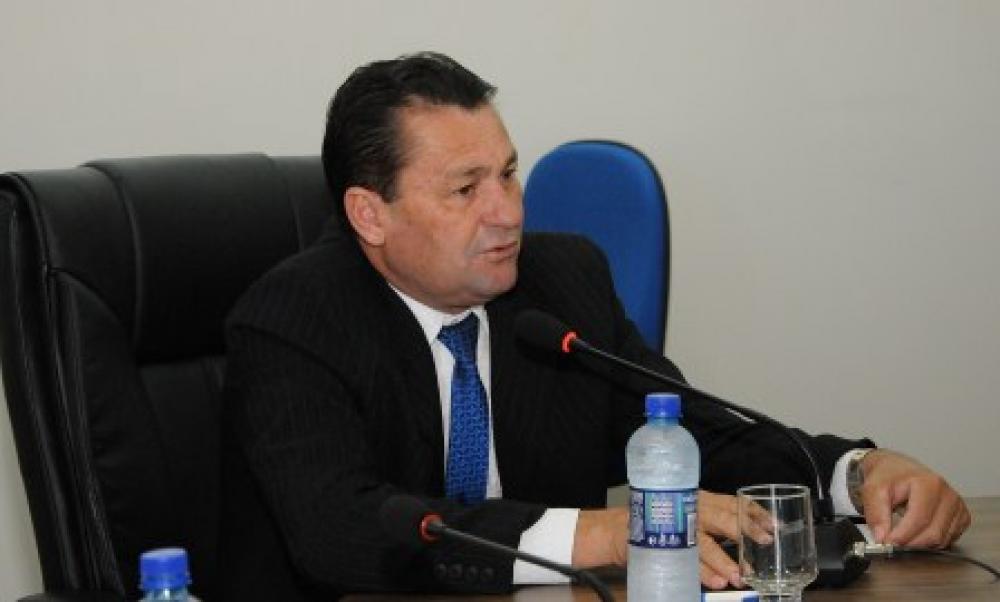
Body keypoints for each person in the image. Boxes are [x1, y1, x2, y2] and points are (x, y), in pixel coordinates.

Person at [219, 52, 970, 600]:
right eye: (466, 189)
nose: (508, 212)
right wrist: (602, 533)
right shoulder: (292, 319)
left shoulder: (560, 281)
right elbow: (339, 529)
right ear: (369, 214)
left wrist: (854, 474)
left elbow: (691, 434)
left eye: (508, 173)